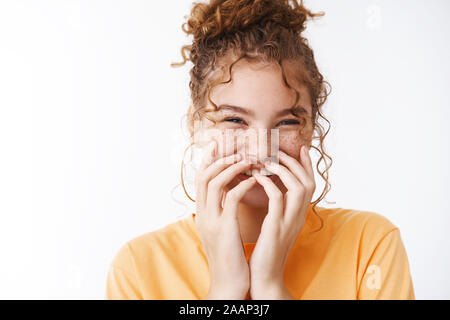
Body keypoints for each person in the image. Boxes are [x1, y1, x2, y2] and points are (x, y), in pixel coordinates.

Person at [105, 0, 415, 300]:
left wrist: (270, 284)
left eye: (287, 122)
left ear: (311, 130)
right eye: (235, 119)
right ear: (196, 124)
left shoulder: (369, 245)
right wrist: (226, 289)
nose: (260, 149)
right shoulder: (138, 269)